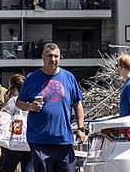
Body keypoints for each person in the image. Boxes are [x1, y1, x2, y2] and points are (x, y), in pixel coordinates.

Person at [16, 43, 86, 172]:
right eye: (49, 56)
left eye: (56, 56)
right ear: (43, 57)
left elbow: (78, 104)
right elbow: (19, 102)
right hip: (39, 140)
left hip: (64, 140)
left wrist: (81, 129)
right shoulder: (32, 78)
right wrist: (30, 106)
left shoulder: (69, 77)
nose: (52, 59)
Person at [0, 74, 31, 172]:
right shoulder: (31, 101)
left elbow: (3, 117)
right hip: (29, 143)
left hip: (14, 144)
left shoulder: (14, 100)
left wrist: (6, 102)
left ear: (14, 88)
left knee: (7, 169)